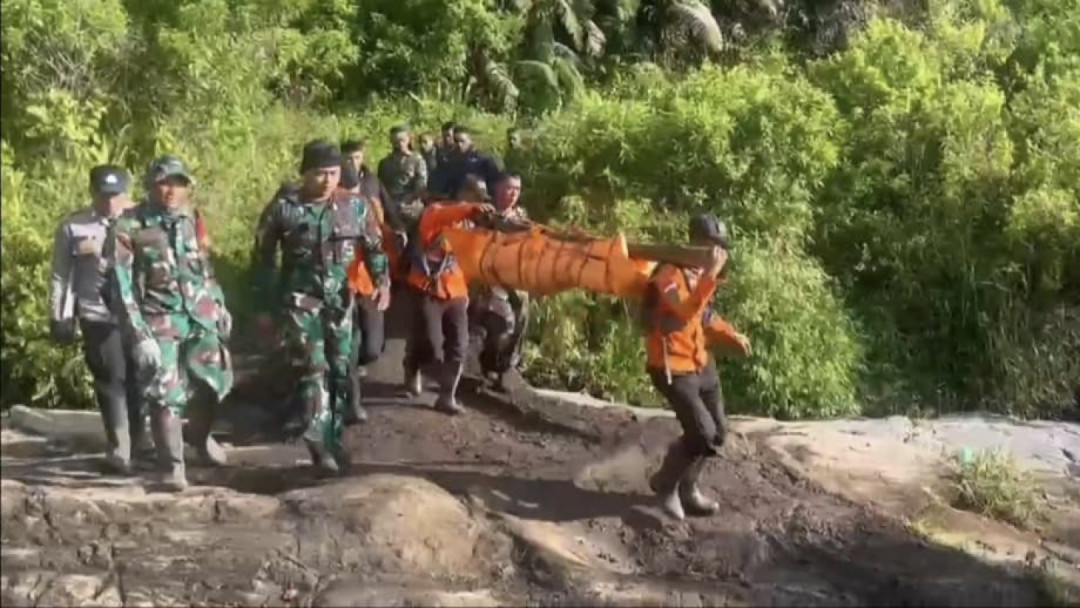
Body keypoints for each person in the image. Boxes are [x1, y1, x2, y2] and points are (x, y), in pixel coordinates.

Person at [252, 140, 389, 473]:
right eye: (319, 173)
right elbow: (263, 261)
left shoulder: (354, 206)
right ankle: (318, 447)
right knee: (315, 370)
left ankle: (334, 440)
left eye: (333, 173)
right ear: (305, 173)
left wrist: (382, 281)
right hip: (300, 303)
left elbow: (374, 246)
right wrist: (263, 307)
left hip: (340, 301)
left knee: (341, 371)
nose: (327, 180)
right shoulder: (284, 208)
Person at [106, 156, 233, 491]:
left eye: (178, 183)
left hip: (199, 315)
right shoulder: (128, 226)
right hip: (157, 319)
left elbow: (205, 266)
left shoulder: (192, 218)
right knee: (165, 393)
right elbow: (121, 287)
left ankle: (200, 438)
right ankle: (172, 467)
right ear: (150, 185)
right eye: (164, 182)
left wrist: (218, 303)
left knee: (213, 383)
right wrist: (138, 335)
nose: (171, 190)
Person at [641, 213, 752, 520]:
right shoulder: (668, 276)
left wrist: (732, 335)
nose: (718, 252)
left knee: (718, 433)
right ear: (698, 244)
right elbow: (686, 311)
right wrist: (710, 275)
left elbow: (705, 318)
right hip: (671, 366)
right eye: (713, 245)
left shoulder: (699, 277)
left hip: (701, 362)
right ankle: (666, 485)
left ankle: (688, 488)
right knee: (701, 433)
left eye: (720, 247)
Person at [50, 165, 150, 474]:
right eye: (103, 196)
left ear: (126, 193)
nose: (110, 203)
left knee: (141, 377)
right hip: (96, 313)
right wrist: (60, 316)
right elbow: (61, 276)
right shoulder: (73, 226)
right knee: (111, 378)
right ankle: (120, 447)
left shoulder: (142, 221)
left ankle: (142, 442)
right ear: (93, 193)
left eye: (116, 196)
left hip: (138, 315)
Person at [402, 175, 495, 415]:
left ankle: (447, 397)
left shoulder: (474, 225)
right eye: (476, 198)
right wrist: (469, 208)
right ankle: (412, 365)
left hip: (457, 290)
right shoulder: (437, 211)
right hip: (427, 284)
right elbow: (446, 216)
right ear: (464, 195)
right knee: (431, 345)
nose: (479, 205)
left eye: (482, 200)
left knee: (459, 345)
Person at [469, 171, 531, 391]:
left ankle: (505, 367)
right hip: (485, 274)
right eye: (508, 188)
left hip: (513, 276)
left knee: (520, 316)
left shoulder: (522, 216)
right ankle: (485, 367)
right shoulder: (484, 213)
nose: (513, 193)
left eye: (517, 189)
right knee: (492, 322)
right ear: (497, 188)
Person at [430, 125, 501, 200]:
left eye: (462, 141)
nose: (459, 145)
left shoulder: (485, 159)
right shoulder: (451, 161)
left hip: (481, 199)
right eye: (456, 141)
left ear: (470, 141)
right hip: (457, 201)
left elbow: (497, 181)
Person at [377, 126, 428, 227]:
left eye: (402, 140)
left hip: (411, 204)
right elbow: (381, 186)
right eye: (395, 141)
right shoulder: (385, 163)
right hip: (391, 204)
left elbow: (421, 183)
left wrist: (410, 199)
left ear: (408, 140)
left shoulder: (417, 160)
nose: (400, 144)